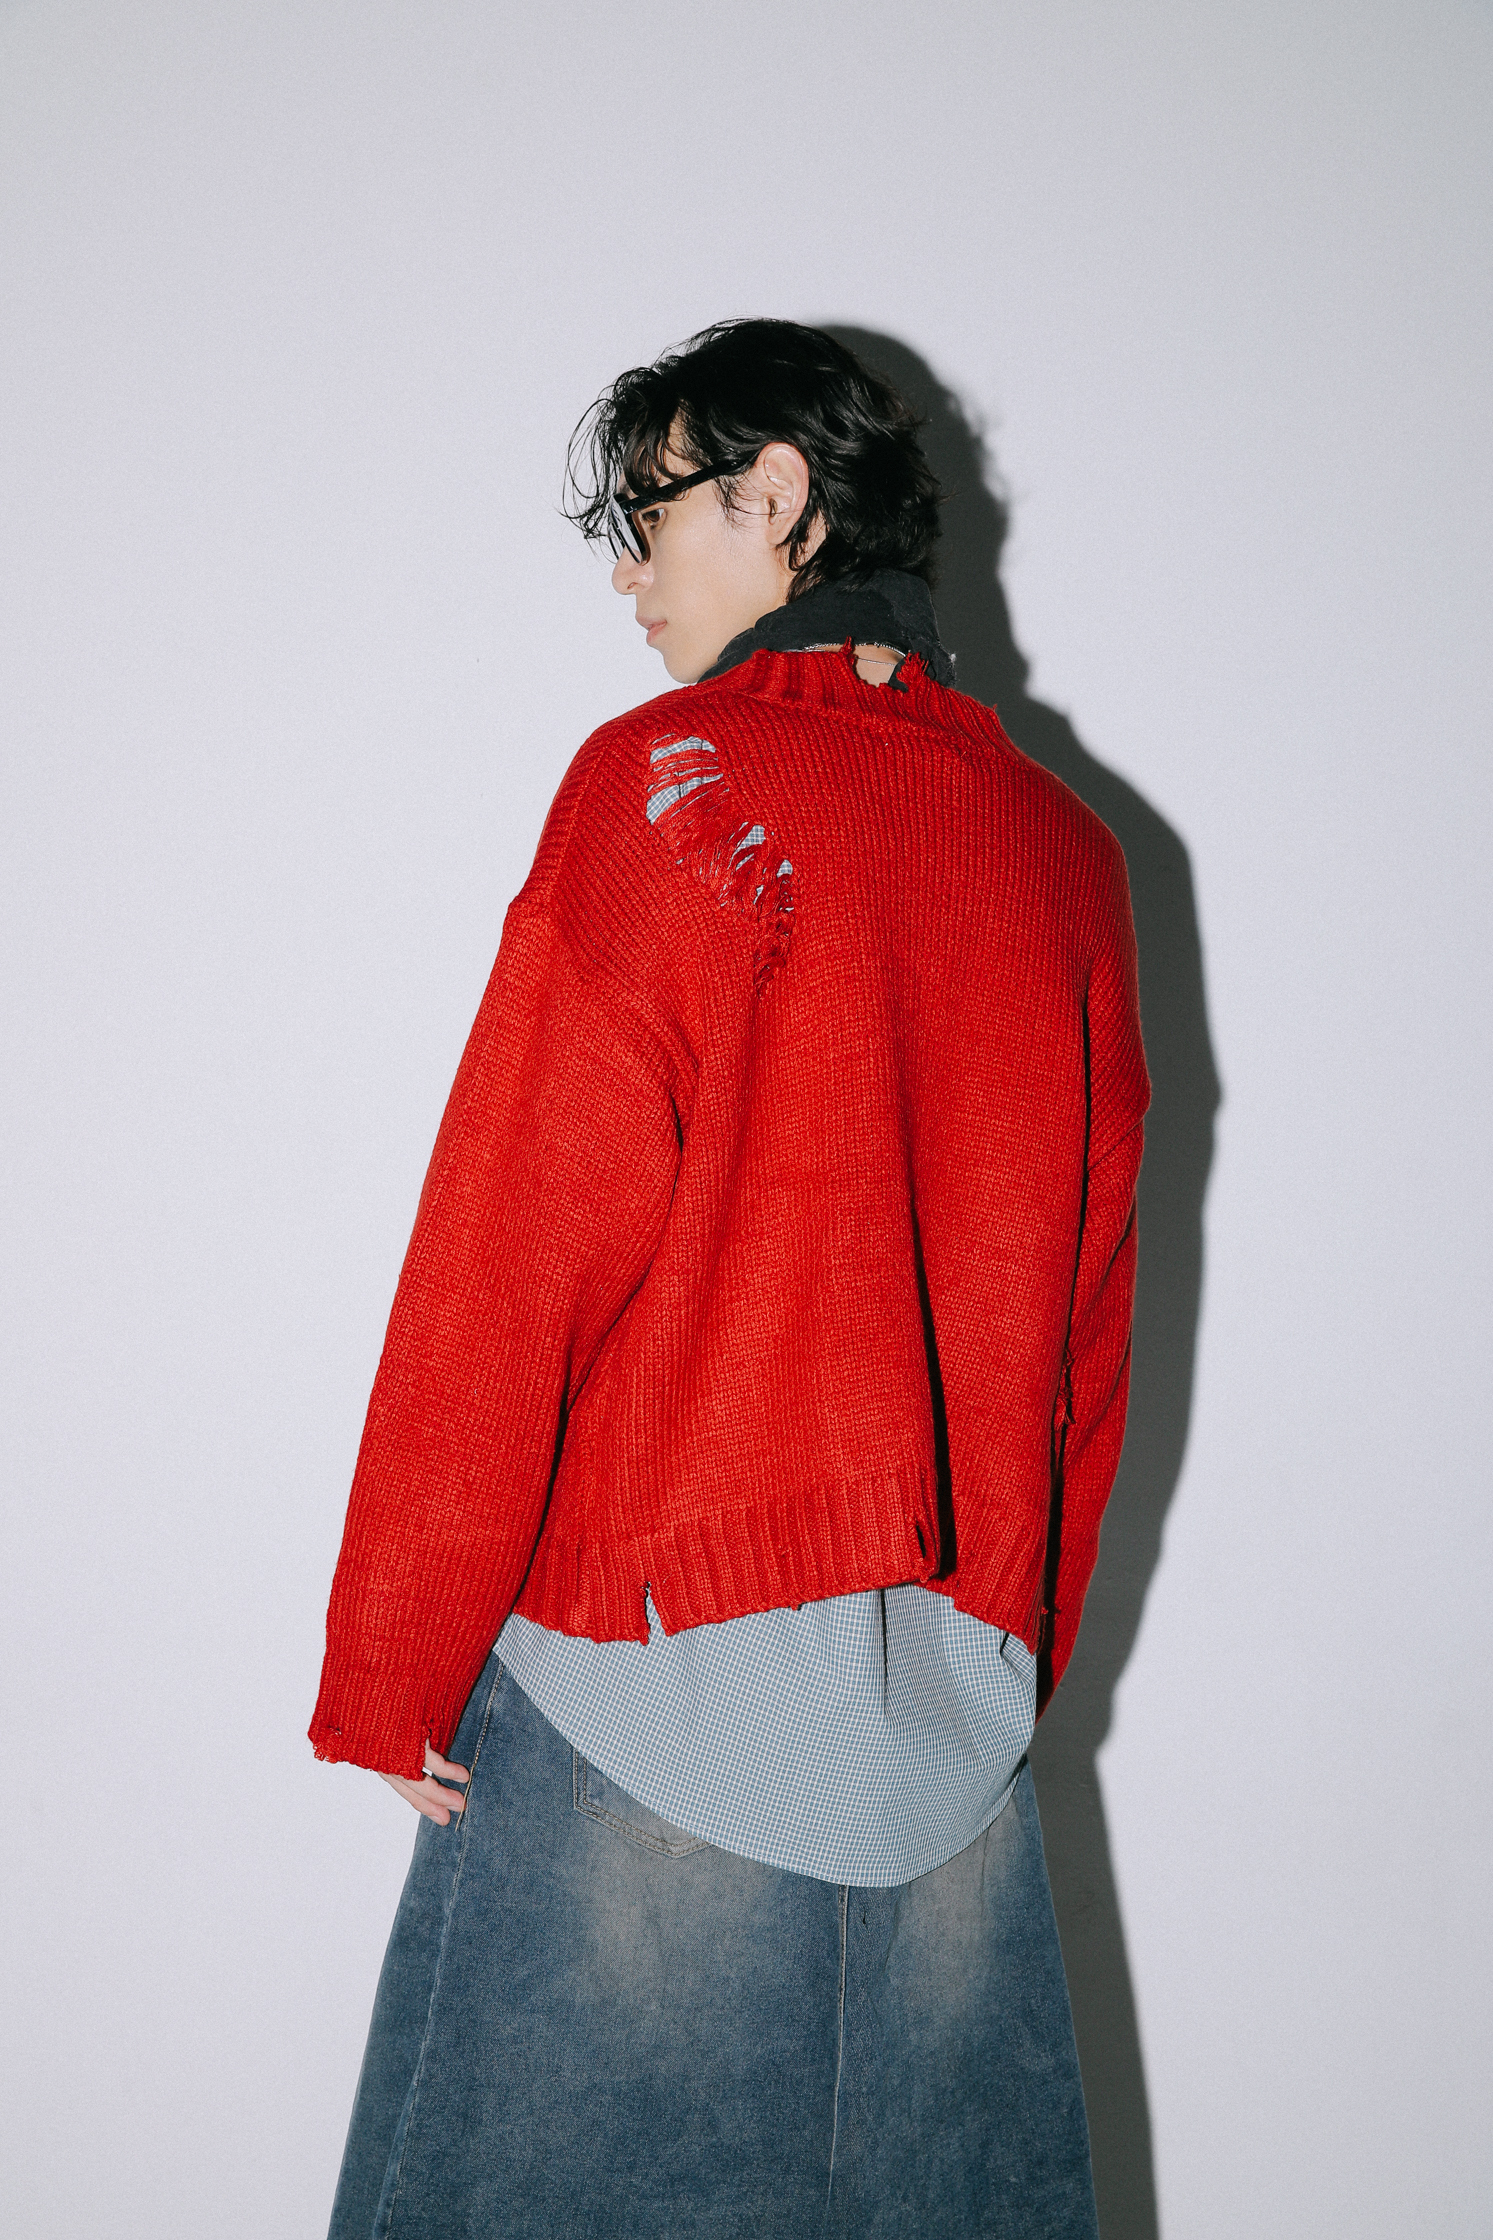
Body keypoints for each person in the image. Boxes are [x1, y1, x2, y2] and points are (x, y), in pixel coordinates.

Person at [310, 318, 1150, 2239]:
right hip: (942, 1734)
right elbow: (1082, 1342)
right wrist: (1012, 1657)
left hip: (648, 1680)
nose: (628, 574)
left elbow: (512, 1242)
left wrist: (393, 1654)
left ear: (774, 496)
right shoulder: (1067, 856)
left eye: (648, 514)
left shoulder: (664, 784)